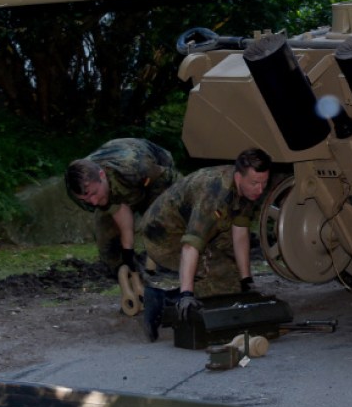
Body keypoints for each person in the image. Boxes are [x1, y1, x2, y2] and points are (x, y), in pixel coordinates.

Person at [135, 148, 273, 342]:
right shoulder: (215, 194)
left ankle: (196, 290)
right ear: (239, 177)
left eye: (264, 183)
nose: (260, 189)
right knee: (218, 281)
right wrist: (186, 294)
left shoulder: (247, 190)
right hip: (163, 235)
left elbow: (240, 233)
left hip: (190, 228)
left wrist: (245, 281)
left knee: (232, 285)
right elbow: (191, 246)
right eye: (255, 183)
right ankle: (162, 300)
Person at [66, 137, 180, 277]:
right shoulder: (78, 190)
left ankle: (172, 266)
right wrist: (128, 254)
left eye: (94, 193)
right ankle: (126, 274)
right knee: (107, 245)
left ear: (102, 175)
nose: (93, 202)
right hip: (118, 182)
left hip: (156, 173)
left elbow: (176, 185)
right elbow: (118, 210)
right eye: (87, 199)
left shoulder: (137, 167)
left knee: (158, 224)